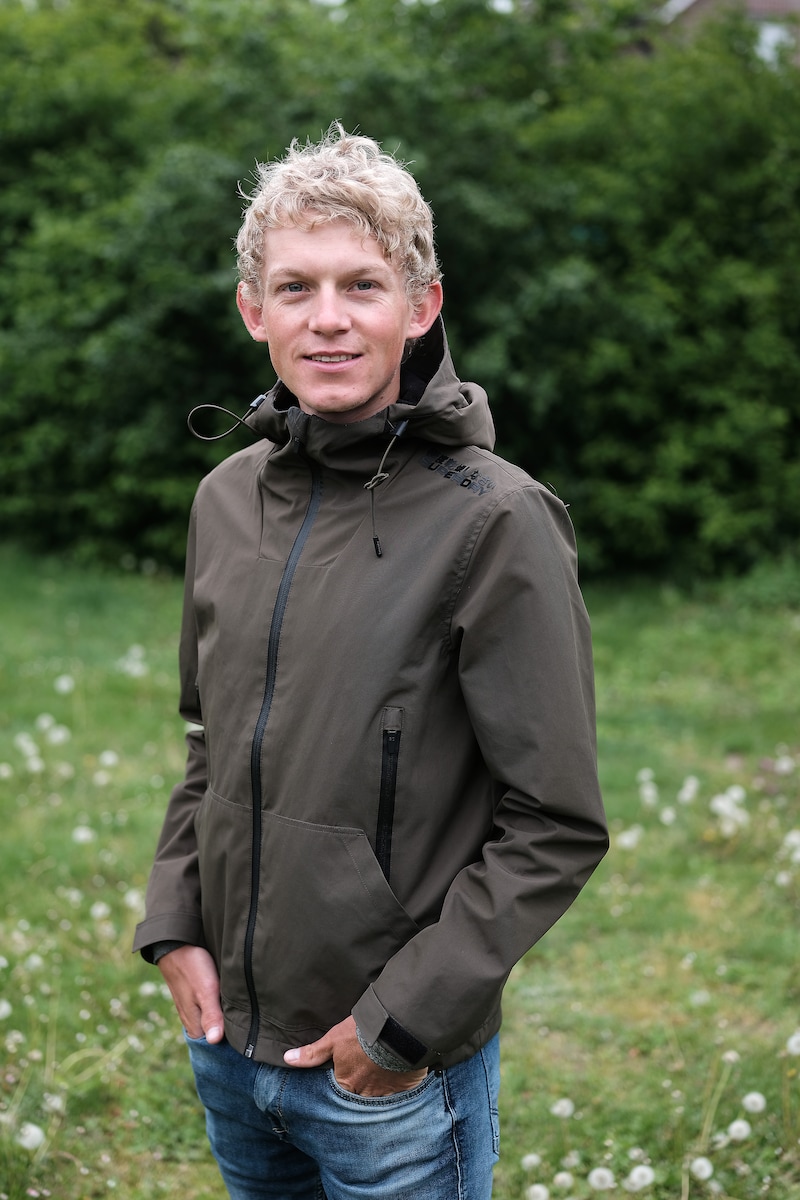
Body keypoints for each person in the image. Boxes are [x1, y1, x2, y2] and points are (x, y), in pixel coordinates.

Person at [133, 123, 608, 1200]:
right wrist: (173, 925)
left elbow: (554, 822)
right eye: (295, 288)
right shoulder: (224, 500)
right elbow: (209, 744)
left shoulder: (497, 521)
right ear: (253, 311)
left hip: (388, 1078)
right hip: (228, 1048)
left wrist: (399, 1025)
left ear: (421, 306)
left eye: (362, 285)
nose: (329, 318)